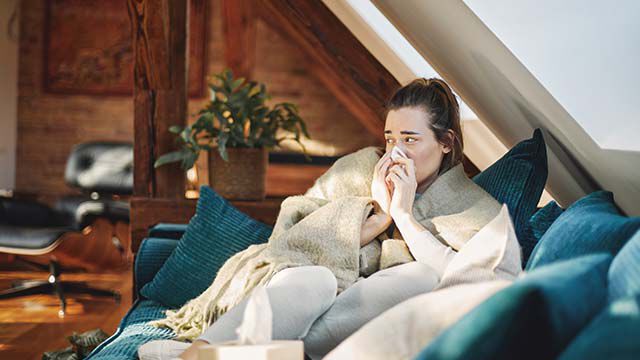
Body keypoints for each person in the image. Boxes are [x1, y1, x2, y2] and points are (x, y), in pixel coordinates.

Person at [138, 78, 501, 360]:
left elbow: (472, 284)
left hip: (362, 324)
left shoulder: (471, 206)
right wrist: (372, 219)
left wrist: (403, 216)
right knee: (317, 280)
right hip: (303, 289)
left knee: (421, 276)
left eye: (410, 139)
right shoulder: (359, 168)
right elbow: (289, 236)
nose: (396, 153)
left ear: (446, 143)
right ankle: (198, 354)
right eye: (390, 138)